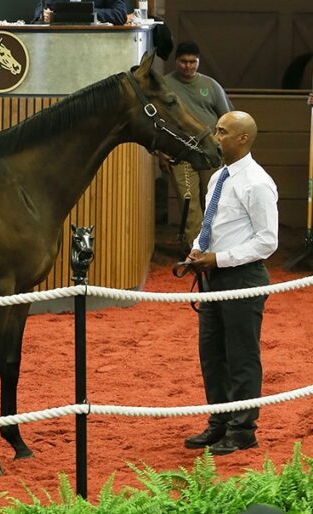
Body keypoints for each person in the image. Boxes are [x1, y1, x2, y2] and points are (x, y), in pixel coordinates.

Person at [183, 111, 278, 456]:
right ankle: (220, 422)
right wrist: (198, 250)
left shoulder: (257, 182)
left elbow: (267, 241)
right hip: (213, 278)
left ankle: (243, 430)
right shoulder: (218, 177)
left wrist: (218, 259)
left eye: (222, 131)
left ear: (242, 139)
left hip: (243, 278)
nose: (215, 136)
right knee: (212, 355)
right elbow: (212, 226)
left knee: (241, 356)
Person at [160, 41, 233, 250]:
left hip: (209, 153)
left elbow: (227, 118)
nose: (188, 66)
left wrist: (225, 149)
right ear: (176, 62)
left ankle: (217, 246)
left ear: (199, 62)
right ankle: (197, 249)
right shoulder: (165, 85)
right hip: (180, 152)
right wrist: (160, 152)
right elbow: (158, 121)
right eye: (183, 61)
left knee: (214, 200)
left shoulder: (211, 86)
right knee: (188, 202)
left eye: (193, 61)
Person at [34, 0, 127, 25]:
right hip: (59, 41)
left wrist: (86, 12)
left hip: (97, 41)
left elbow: (120, 14)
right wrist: (43, 15)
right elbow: (39, 12)